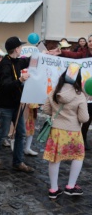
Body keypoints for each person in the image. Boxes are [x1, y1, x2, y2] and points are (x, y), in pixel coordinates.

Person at [0, 36, 34, 172]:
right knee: (3, 133)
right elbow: (5, 85)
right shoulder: (5, 65)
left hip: (16, 104)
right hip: (6, 105)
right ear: (16, 49)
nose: (21, 49)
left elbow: (27, 61)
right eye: (20, 47)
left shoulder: (16, 61)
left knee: (21, 133)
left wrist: (45, 55)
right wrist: (20, 80)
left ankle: (18, 162)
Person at [43, 63, 89, 198]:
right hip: (73, 131)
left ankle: (54, 189)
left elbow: (46, 109)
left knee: (54, 158)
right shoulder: (80, 95)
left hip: (56, 130)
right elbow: (84, 118)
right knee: (78, 156)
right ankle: (70, 186)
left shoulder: (54, 92)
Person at [50, 33, 92, 150]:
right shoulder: (83, 53)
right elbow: (74, 55)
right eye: (89, 41)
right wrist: (62, 53)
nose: (90, 43)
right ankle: (82, 136)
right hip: (84, 88)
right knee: (86, 115)